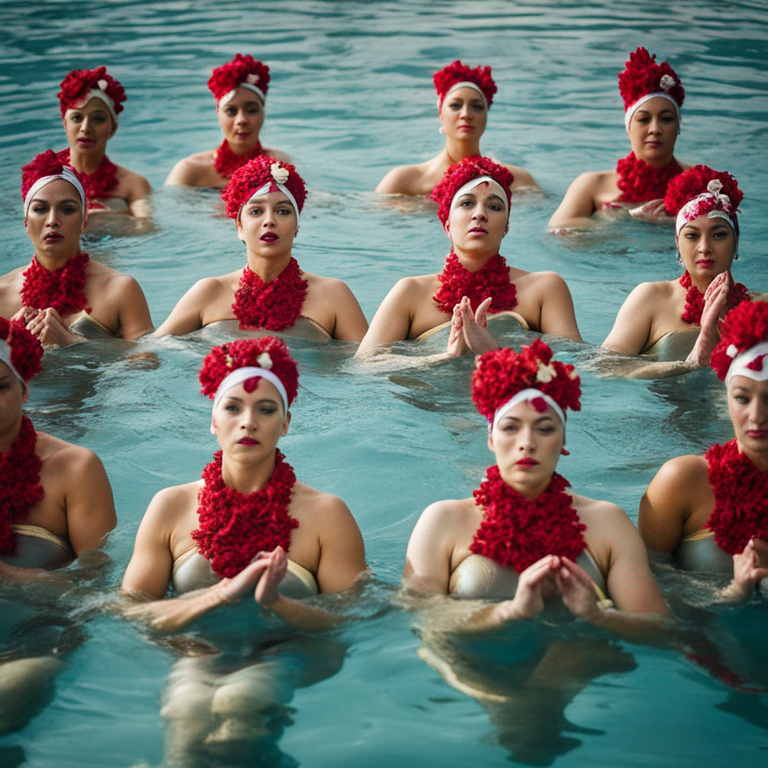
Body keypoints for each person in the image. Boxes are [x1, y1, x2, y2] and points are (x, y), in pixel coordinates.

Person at [120, 337, 367, 762]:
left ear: (286, 423)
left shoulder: (328, 514)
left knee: (242, 703)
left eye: (266, 410)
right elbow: (130, 610)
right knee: (186, 714)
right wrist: (218, 594)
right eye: (232, 407)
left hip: (285, 650)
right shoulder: (171, 506)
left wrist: (278, 602)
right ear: (213, 421)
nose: (248, 422)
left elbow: (352, 620)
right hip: (200, 649)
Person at [403, 340, 670, 637]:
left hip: (579, 673)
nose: (527, 442)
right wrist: (509, 611)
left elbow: (660, 631)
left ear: (563, 440)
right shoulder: (442, 521)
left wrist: (597, 615)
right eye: (511, 427)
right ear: (490, 438)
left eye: (544, 428)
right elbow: (417, 618)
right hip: (474, 679)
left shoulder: (609, 523)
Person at [0, 317, 116, 734]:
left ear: (26, 390)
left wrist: (9, 577)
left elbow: (99, 587)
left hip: (35, 641)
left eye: (1, 387)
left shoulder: (75, 468)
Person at [358, 157, 580, 356]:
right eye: (467, 203)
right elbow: (363, 368)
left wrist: (493, 354)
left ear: (506, 227)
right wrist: (444, 357)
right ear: (447, 225)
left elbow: (574, 362)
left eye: (494, 206)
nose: (480, 214)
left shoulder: (545, 289)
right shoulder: (409, 292)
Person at [638, 300, 768, 601]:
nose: (757, 414)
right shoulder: (682, 481)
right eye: (742, 397)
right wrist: (730, 594)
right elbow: (645, 578)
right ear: (726, 398)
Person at [156, 156, 367, 341]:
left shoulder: (334, 296)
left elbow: (369, 367)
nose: (269, 221)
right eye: (256, 211)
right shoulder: (208, 292)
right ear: (239, 226)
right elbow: (150, 354)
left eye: (283, 211)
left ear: (297, 226)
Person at [601, 165, 752, 368]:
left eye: (719, 235)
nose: (704, 248)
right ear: (677, 243)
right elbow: (603, 368)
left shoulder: (760, 309)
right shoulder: (651, 298)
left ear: (736, 242)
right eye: (692, 235)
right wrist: (687, 364)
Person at [0, 150, 154, 347]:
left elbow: (146, 362)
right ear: (26, 222)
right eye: (40, 209)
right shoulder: (2, 294)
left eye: (67, 210)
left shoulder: (120, 289)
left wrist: (72, 342)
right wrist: (8, 344)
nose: (53, 221)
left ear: (83, 221)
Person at [549, 47, 689, 232]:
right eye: (644, 119)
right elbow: (557, 232)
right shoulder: (592, 185)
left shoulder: (701, 182)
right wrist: (619, 220)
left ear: (678, 127)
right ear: (629, 127)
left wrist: (676, 224)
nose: (655, 129)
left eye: (666, 119)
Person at [375, 60, 537, 196]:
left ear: (486, 116)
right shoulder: (403, 181)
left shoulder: (516, 181)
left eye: (477, 107)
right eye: (455, 106)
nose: (466, 114)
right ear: (441, 114)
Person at [165, 54, 290, 187]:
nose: (241, 120)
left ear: (263, 112)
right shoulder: (189, 170)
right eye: (231, 111)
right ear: (218, 113)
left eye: (252, 110)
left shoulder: (279, 165)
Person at [57, 66, 151, 220]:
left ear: (112, 128)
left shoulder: (133, 184)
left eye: (98, 119)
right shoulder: (44, 177)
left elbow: (148, 229)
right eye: (77, 118)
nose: (85, 128)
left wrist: (103, 218)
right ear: (65, 124)